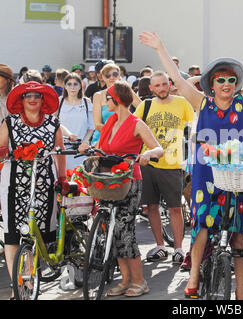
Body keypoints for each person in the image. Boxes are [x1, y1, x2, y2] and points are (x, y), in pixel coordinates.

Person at [139, 13, 243, 300]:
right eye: (221, 80)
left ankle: (240, 288)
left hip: (240, 177)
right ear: (211, 85)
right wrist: (159, 48)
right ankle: (193, 276)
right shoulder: (201, 103)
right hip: (207, 175)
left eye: (231, 79)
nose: (227, 84)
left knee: (241, 233)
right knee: (203, 224)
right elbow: (177, 80)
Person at [79, 81, 164, 297]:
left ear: (116, 100)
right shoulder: (111, 122)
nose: (104, 101)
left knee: (124, 231)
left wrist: (146, 154)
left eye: (107, 98)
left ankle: (139, 281)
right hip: (108, 180)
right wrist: (89, 148)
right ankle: (126, 280)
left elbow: (159, 149)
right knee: (111, 230)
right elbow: (103, 147)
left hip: (128, 181)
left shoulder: (136, 123)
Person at [0, 81, 68, 299]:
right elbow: (1, 148)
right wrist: (6, 152)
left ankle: (27, 279)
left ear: (42, 100)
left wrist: (62, 178)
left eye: (36, 96)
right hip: (13, 184)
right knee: (12, 236)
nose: (32, 99)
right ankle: (17, 286)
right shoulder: (9, 122)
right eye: (27, 95)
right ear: (21, 99)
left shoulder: (53, 123)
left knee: (36, 235)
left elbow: (60, 151)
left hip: (43, 184)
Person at [133, 70, 194, 264]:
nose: (161, 88)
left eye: (164, 84)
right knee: (152, 206)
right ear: (151, 88)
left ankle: (178, 249)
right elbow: (134, 129)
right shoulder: (146, 105)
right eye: (156, 85)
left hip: (173, 163)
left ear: (169, 84)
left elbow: (193, 128)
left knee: (176, 208)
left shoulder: (182, 103)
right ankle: (160, 246)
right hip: (148, 162)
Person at [91, 63, 141, 145]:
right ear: (102, 77)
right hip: (102, 138)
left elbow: (142, 108)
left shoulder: (127, 92)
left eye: (115, 74)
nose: (111, 77)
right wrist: (116, 133)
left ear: (119, 75)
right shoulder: (98, 95)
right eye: (107, 75)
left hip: (125, 138)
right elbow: (97, 124)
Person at [58, 73, 94, 169]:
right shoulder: (59, 101)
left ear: (80, 86)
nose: (72, 87)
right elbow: (54, 124)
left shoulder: (87, 102)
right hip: (62, 149)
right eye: (69, 84)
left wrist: (85, 142)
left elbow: (91, 127)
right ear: (65, 86)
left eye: (75, 84)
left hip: (81, 150)